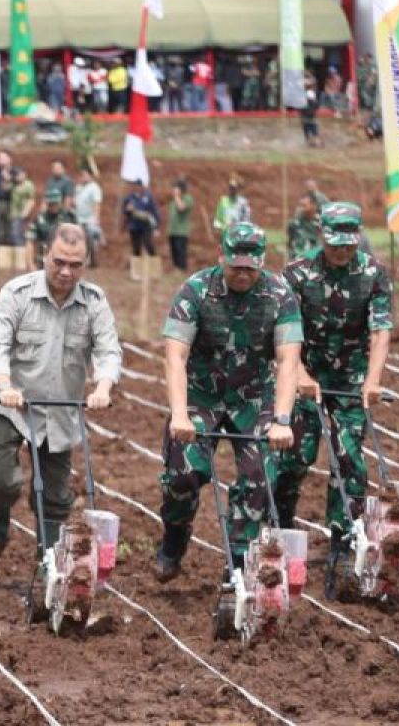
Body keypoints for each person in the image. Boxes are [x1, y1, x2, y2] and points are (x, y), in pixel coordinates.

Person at [0, 224, 122, 573]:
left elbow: (109, 350)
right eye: (59, 262)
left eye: (76, 264)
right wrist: (5, 383)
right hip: (11, 404)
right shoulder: (17, 293)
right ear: (44, 254)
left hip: (60, 407)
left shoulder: (94, 302)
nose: (66, 272)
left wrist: (103, 387)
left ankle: (48, 561)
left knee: (55, 495)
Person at [154, 222, 300, 582]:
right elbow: (175, 356)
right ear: (221, 257)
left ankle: (237, 565)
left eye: (251, 267)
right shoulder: (196, 290)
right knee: (183, 474)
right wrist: (178, 415)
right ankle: (174, 538)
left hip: (254, 396)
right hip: (201, 394)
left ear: (262, 264)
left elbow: (287, 361)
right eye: (235, 266)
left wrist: (281, 418)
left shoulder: (280, 295)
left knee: (260, 477)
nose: (242, 274)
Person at [275, 203, 392, 598]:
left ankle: (341, 547)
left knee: (349, 463)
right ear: (321, 236)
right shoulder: (296, 274)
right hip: (305, 376)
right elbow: (285, 333)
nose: (341, 253)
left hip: (350, 382)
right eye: (334, 245)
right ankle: (281, 523)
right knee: (294, 456)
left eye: (347, 246)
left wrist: (373, 380)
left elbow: (379, 332)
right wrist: (302, 378)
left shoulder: (374, 274)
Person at [25, 185, 75, 271]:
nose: (54, 206)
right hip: (43, 262)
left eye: (56, 203)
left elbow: (78, 241)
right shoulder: (39, 219)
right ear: (47, 203)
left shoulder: (69, 217)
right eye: (51, 204)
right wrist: (30, 264)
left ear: (60, 202)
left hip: (64, 262)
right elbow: (30, 241)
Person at [121, 178, 160, 262]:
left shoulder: (148, 197)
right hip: (134, 226)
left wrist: (156, 226)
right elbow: (124, 211)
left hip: (146, 225)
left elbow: (154, 211)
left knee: (148, 244)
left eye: (139, 186)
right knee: (136, 247)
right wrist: (127, 210)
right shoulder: (129, 198)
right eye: (135, 186)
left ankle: (154, 264)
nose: (137, 188)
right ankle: (137, 269)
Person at [286, 184, 327, 261]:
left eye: (304, 206)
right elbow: (290, 243)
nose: (300, 209)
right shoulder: (294, 223)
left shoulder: (322, 223)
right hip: (297, 262)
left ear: (314, 206)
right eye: (300, 205)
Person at [75, 168, 104, 265]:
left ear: (90, 175)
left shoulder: (94, 188)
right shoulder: (79, 188)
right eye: (82, 175)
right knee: (80, 239)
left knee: (91, 238)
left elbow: (96, 203)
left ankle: (93, 259)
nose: (83, 177)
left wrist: (96, 217)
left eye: (85, 175)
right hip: (79, 217)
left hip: (90, 218)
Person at [167, 178, 194, 271]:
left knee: (180, 252)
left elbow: (181, 208)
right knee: (174, 252)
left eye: (175, 188)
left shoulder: (187, 198)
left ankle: (182, 270)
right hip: (173, 231)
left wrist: (177, 196)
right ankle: (176, 269)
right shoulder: (173, 200)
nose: (173, 190)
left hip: (181, 231)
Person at [8, 167, 36, 247]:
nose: (17, 177)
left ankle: (22, 251)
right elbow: (4, 187)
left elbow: (31, 200)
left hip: (24, 214)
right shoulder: (13, 184)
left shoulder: (28, 185)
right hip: (14, 214)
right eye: (16, 175)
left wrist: (26, 212)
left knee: (18, 234)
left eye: (19, 175)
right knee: (14, 234)